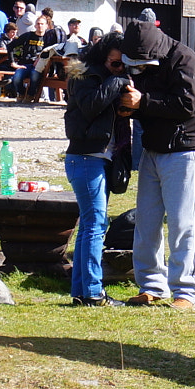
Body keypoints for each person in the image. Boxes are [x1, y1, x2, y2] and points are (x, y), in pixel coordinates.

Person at [122, 13, 195, 309]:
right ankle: (152, 286)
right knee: (146, 221)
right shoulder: (145, 60)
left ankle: (186, 291)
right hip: (153, 149)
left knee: (183, 222)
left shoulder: (186, 60)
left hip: (185, 150)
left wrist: (141, 103)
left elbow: (186, 105)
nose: (137, 70)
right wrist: (130, 109)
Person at [62, 35, 134, 305]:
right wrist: (117, 82)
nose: (120, 69)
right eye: (115, 64)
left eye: (123, 65)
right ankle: (92, 292)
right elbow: (91, 106)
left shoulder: (106, 77)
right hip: (85, 157)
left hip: (97, 158)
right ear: (103, 57)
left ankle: (81, 292)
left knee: (90, 226)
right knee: (95, 226)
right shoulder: (85, 76)